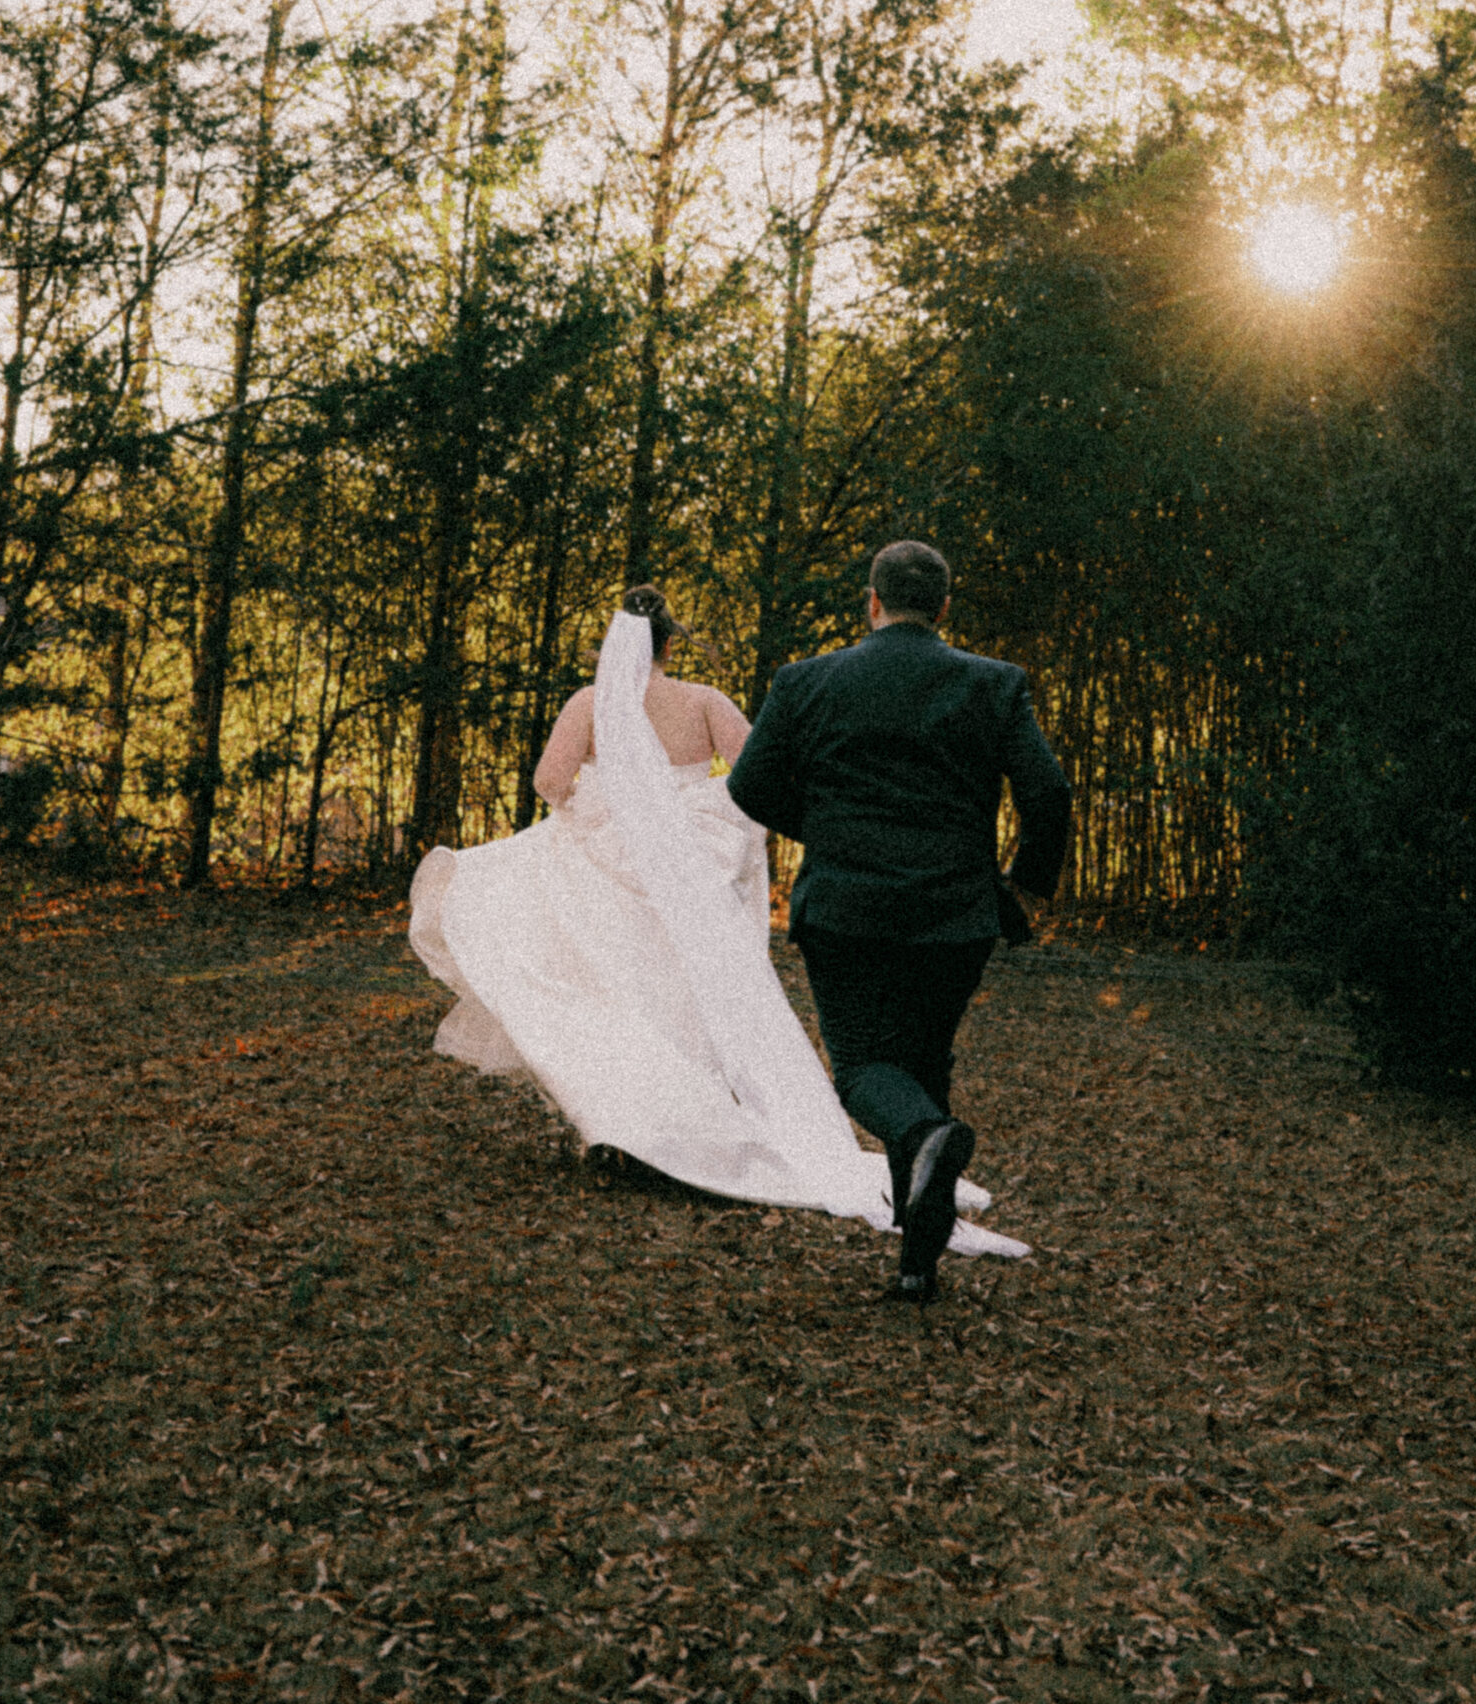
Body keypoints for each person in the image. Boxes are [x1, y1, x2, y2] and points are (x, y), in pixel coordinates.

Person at [406, 584, 1028, 1264]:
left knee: (617, 991)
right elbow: (759, 772)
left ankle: (631, 1129)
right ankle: (685, 1125)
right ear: (671, 644)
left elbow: (550, 782)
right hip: (689, 866)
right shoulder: (704, 701)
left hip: (607, 862)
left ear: (613, 649)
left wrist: (601, 806)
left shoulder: (589, 705)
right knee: (687, 996)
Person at [726, 539, 1071, 1301]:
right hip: (955, 913)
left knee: (862, 1073)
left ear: (871, 602)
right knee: (924, 1066)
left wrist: (831, 830)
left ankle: (923, 1157)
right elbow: (1047, 792)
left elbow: (749, 787)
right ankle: (917, 1263)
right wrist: (1027, 888)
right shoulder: (994, 684)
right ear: (945, 608)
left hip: (846, 907)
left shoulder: (805, 681)